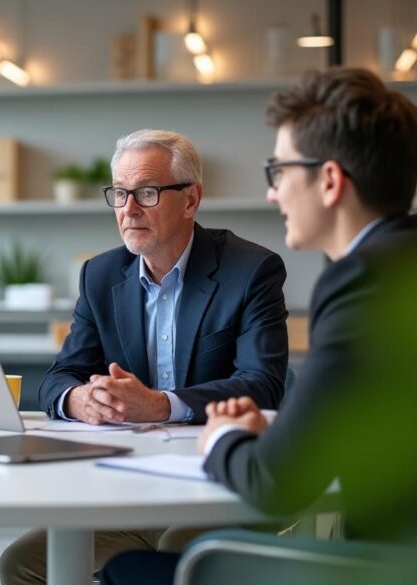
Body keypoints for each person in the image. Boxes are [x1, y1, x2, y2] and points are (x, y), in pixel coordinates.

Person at [100, 68, 417, 585]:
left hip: (380, 569)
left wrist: (223, 436)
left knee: (127, 572)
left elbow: (275, 484)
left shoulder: (363, 284)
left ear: (330, 181)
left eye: (280, 170)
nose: (273, 194)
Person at [0, 129, 290, 583]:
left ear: (191, 200)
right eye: (120, 193)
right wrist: (80, 400)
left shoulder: (250, 270)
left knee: (174, 555)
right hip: (128, 485)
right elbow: (60, 376)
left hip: (220, 486)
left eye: (147, 193)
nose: (129, 209)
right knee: (21, 564)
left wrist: (160, 405)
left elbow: (263, 385)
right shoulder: (100, 275)